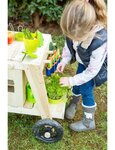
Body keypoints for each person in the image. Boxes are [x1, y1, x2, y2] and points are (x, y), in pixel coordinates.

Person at [57, 0, 107, 132]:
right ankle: (73, 103)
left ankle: (88, 121)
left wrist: (70, 80)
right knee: (78, 83)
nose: (74, 39)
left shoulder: (100, 41)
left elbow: (91, 71)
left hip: (95, 69)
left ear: (89, 29)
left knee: (86, 89)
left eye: (77, 38)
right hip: (83, 62)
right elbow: (68, 47)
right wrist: (64, 60)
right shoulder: (74, 24)